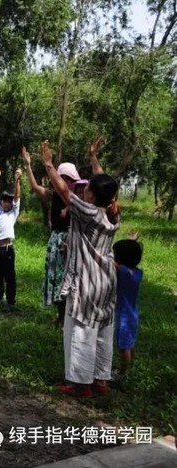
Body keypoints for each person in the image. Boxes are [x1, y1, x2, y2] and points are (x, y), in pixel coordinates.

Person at [40, 139, 120, 398]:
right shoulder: (111, 213)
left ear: (92, 195)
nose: (83, 191)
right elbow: (107, 186)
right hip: (106, 282)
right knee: (103, 330)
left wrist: (49, 165)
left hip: (86, 281)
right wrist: (93, 158)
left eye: (87, 189)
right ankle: (100, 379)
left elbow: (64, 191)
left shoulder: (89, 212)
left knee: (80, 330)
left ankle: (80, 384)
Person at [21, 147, 81, 325]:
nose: (66, 182)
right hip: (56, 240)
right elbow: (35, 187)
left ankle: (69, 317)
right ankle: (61, 317)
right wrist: (28, 166)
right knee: (57, 278)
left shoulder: (78, 199)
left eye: (69, 179)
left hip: (72, 242)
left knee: (69, 279)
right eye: (63, 178)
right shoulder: (53, 195)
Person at [0, 166, 22, 312]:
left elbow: (17, 197)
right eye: (4, 201)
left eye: (9, 201)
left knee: (9, 276)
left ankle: (10, 302)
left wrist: (17, 180)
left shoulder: (13, 213)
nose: (7, 203)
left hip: (7, 250)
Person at [113, 232, 143, 384]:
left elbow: (109, 261)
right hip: (133, 314)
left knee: (123, 346)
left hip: (123, 317)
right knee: (130, 343)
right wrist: (132, 243)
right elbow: (128, 257)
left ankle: (123, 374)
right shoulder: (137, 273)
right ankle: (130, 369)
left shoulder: (123, 272)